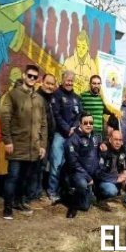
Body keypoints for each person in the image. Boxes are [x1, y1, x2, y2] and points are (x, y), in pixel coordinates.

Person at [0, 64, 47, 220]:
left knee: (25, 178)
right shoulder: (12, 95)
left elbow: (44, 123)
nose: (32, 79)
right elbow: (5, 118)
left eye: (35, 77)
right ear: (24, 75)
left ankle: (19, 202)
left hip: (33, 147)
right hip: (17, 144)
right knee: (13, 177)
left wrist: (43, 145)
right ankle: (7, 208)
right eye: (30, 76)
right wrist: (7, 140)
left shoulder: (39, 98)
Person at [47, 70, 82, 203]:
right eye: (67, 80)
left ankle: (64, 190)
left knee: (68, 164)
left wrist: (74, 127)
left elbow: (79, 115)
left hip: (72, 136)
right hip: (60, 135)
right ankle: (52, 191)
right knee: (56, 164)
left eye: (72, 81)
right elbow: (56, 115)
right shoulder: (56, 95)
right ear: (62, 80)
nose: (69, 83)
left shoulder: (76, 98)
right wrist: (68, 129)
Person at [64, 113, 101, 218]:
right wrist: (88, 178)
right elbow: (73, 163)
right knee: (82, 188)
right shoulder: (73, 139)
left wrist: (103, 146)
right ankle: (71, 202)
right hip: (78, 174)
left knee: (86, 205)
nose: (89, 125)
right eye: (85, 123)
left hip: (92, 172)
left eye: (91, 123)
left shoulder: (95, 136)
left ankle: (91, 194)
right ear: (80, 124)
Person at [27, 72, 57, 201]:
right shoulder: (37, 97)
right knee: (36, 167)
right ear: (41, 82)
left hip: (49, 138)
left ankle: (37, 193)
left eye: (52, 84)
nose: (50, 86)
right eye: (47, 83)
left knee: (42, 166)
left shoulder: (51, 98)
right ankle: (32, 195)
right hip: (38, 139)